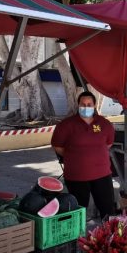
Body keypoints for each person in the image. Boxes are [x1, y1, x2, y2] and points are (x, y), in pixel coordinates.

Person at [51, 91, 116, 219]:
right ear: (78, 105)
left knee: (108, 211)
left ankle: (111, 237)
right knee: (78, 213)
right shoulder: (66, 125)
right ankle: (78, 238)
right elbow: (57, 146)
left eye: (89, 104)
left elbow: (108, 144)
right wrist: (74, 156)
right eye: (83, 104)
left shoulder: (104, 124)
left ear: (94, 105)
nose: (86, 107)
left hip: (102, 175)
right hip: (76, 177)